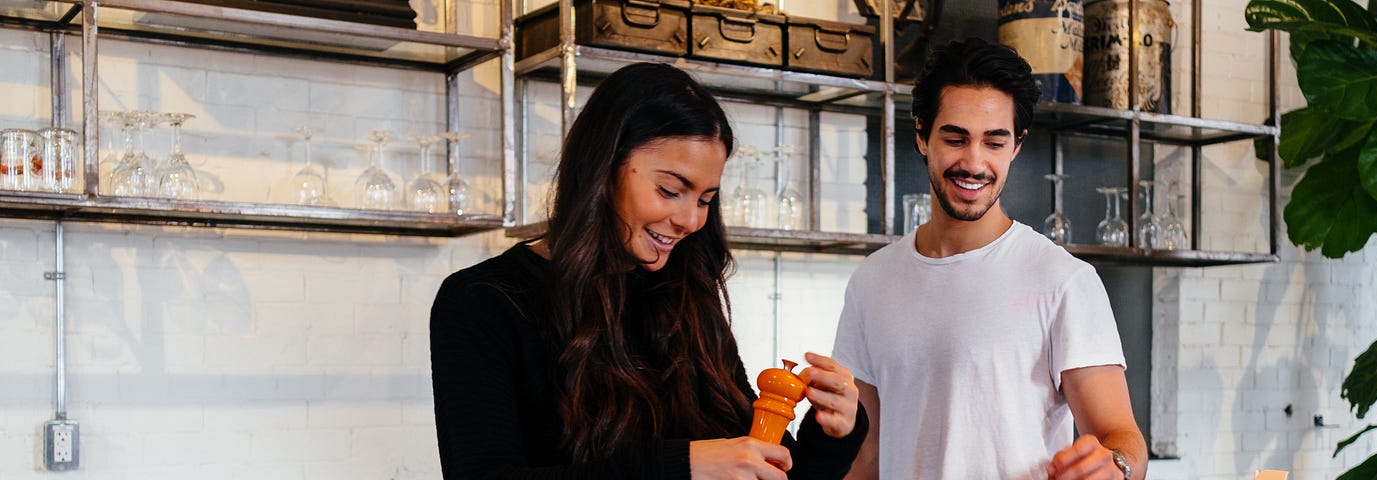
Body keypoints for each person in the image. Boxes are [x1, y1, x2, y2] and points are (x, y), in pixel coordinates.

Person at [429, 62, 867, 479]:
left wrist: (831, 433)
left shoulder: (688, 297)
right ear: (603, 166)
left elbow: (764, 472)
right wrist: (681, 467)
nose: (691, 221)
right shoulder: (482, 301)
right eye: (670, 190)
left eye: (705, 199)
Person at [832, 38, 1147, 480]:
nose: (974, 162)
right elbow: (867, 456)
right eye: (956, 138)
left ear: (1016, 145)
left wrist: (1116, 467)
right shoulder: (872, 281)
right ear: (922, 135)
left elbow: (1121, 436)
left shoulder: (1063, 281)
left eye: (994, 142)